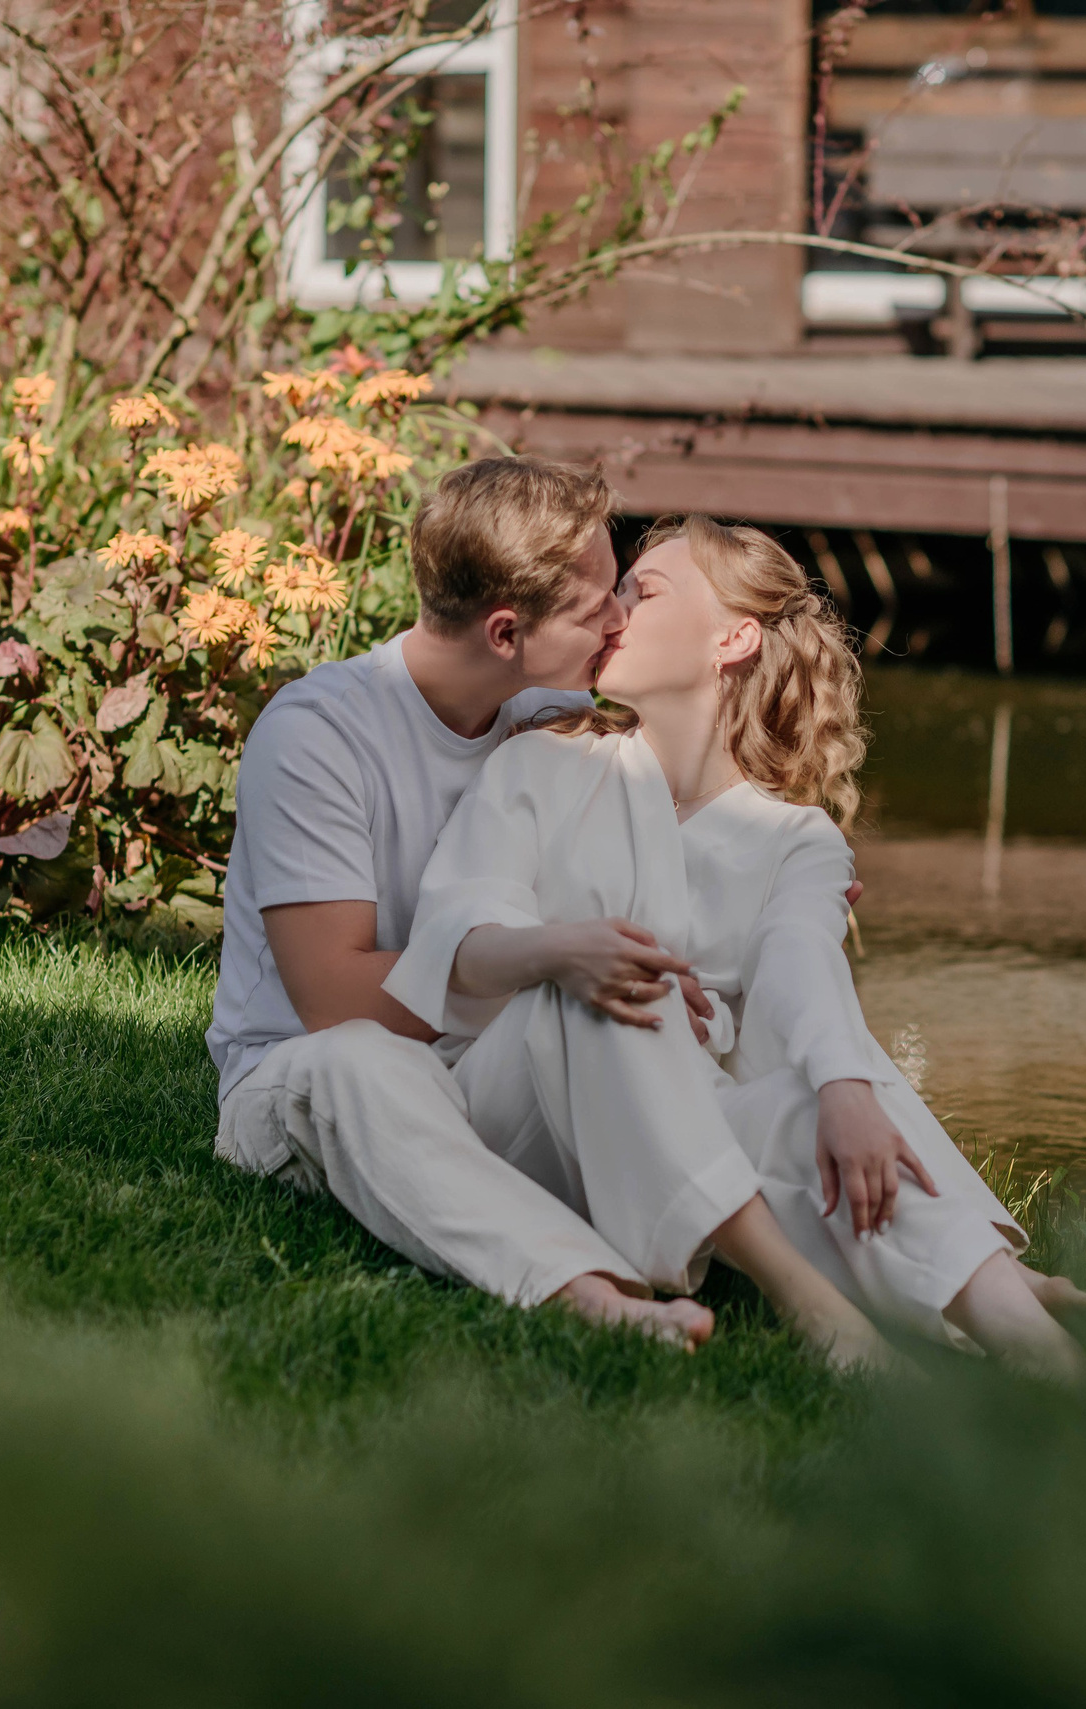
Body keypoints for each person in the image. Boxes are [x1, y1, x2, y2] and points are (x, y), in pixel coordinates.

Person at [382, 516, 1086, 1377]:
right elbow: (460, 938)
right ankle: (815, 1305)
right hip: (522, 1120)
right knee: (618, 982)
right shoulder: (544, 765)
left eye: (640, 591)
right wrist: (570, 951)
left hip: (687, 1128)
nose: (612, 612)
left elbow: (800, 957)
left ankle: (1047, 1357)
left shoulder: (795, 838)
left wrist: (842, 1091)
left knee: (813, 1107)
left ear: (733, 637)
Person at [208, 457, 714, 1349]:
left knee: (634, 1011)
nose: (622, 616)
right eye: (599, 602)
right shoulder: (318, 734)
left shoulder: (549, 717)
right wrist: (544, 959)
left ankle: (874, 1263)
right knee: (361, 1062)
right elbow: (329, 999)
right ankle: (590, 1292)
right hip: (306, 1079)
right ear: (507, 630)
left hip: (478, 1067)